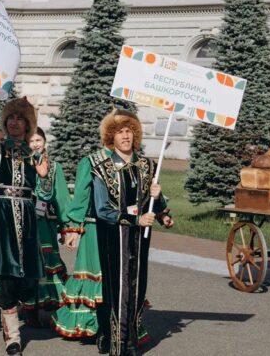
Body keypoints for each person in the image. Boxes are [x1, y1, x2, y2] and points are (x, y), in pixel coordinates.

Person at [90, 109, 174, 356]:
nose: (125, 136)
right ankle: (118, 344)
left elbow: (151, 202)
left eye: (128, 131)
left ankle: (130, 340)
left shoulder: (148, 166)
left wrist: (161, 211)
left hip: (140, 239)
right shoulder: (103, 169)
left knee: (137, 285)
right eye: (119, 132)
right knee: (118, 289)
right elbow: (102, 209)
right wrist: (135, 219)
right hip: (114, 237)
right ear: (110, 137)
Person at [0, 97, 51, 356]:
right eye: (11, 118)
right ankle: (12, 338)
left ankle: (17, 312)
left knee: (29, 278)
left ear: (27, 124)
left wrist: (44, 177)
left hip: (28, 216)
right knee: (8, 276)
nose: (15, 122)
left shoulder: (34, 155)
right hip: (3, 216)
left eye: (20, 118)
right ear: (6, 122)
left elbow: (46, 194)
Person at [22, 127, 70, 325]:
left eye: (38, 140)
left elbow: (61, 196)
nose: (35, 144)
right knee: (31, 263)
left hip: (47, 221)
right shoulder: (23, 164)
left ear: (44, 141)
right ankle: (31, 308)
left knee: (49, 261)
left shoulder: (54, 166)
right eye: (31, 141)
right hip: (27, 220)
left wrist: (66, 224)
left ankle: (51, 301)